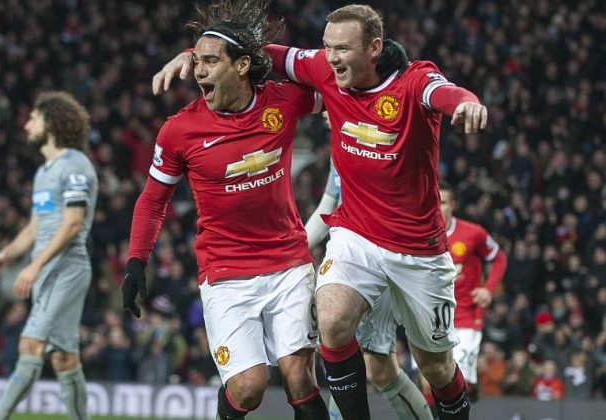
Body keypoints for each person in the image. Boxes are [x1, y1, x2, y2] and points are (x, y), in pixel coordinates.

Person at [152, 4, 490, 419]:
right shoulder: (323, 70)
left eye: (342, 48)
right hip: (357, 236)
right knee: (331, 319)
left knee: (436, 368)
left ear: (374, 48)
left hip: (418, 250)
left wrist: (467, 102)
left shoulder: (413, 80)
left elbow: (444, 93)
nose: (331, 57)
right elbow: (252, 54)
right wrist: (195, 56)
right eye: (327, 47)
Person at [123, 1, 328, 419]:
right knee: (248, 386)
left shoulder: (283, 101)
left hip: (287, 262)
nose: (198, 72)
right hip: (225, 271)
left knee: (300, 377)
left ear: (242, 65)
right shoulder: (180, 129)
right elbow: (153, 199)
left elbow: (334, 84)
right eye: (196, 61)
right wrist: (136, 261)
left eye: (210, 61)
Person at [0, 91, 98, 420]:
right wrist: (6, 255)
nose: (26, 125)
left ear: (51, 123)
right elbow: (36, 226)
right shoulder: (45, 171)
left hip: (67, 268)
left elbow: (73, 223)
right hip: (49, 270)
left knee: (29, 344)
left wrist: (34, 265)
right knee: (64, 357)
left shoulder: (75, 165)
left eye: (33, 119)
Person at [306, 153, 433, 420]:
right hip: (351, 260)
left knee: (343, 354)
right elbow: (328, 205)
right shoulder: (338, 146)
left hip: (371, 261)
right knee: (380, 370)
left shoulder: (375, 140)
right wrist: (297, 249)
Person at [439, 181, 507, 400]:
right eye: (434, 202)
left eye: (443, 202)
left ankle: (469, 387)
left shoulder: (473, 233)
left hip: (466, 316)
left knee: (456, 379)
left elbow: (499, 258)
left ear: (453, 205)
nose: (437, 208)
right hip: (432, 317)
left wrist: (488, 289)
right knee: (429, 382)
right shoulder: (418, 234)